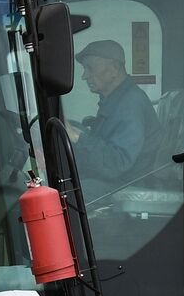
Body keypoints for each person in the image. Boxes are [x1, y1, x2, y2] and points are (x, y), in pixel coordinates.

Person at [65, 39, 160, 192]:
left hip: (126, 187)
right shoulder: (116, 100)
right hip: (117, 181)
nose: (84, 76)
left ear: (115, 68)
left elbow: (118, 163)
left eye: (90, 68)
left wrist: (77, 137)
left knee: (65, 193)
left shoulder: (131, 104)